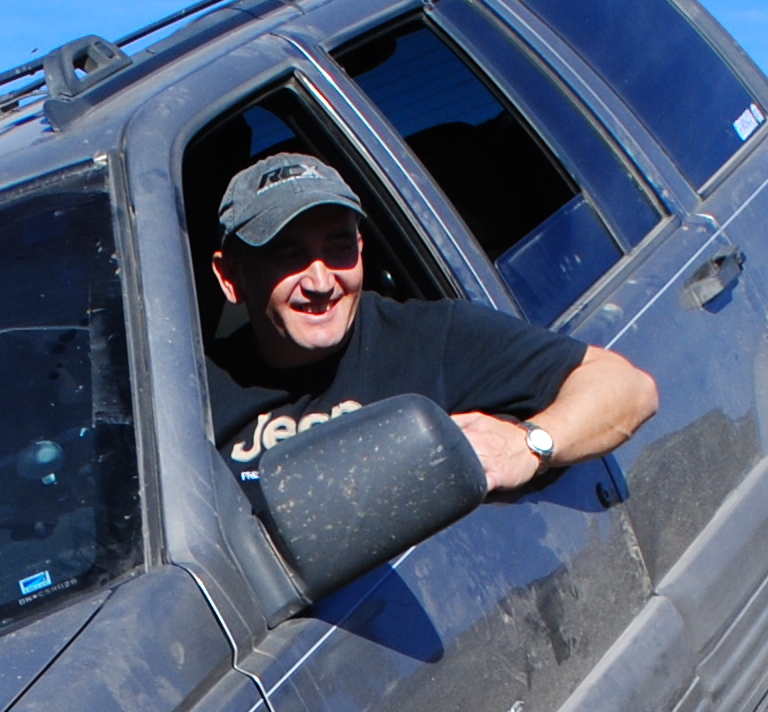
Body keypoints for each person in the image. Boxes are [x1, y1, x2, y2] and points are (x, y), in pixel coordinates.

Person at [201, 150, 657, 489]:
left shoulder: (430, 339)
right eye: (290, 256)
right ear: (231, 278)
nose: (321, 280)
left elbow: (628, 388)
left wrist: (527, 444)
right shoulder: (194, 400)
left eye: (338, 247)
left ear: (361, 250)